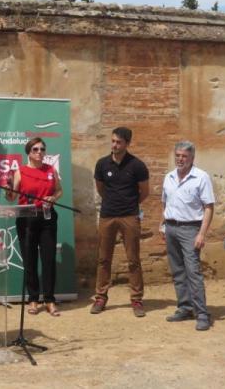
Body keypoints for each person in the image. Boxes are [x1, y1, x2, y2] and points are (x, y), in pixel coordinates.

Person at [91, 126, 149, 317]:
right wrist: (112, 202)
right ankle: (100, 297)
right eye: (113, 141)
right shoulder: (102, 164)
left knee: (133, 260)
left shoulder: (137, 166)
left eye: (119, 142)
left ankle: (136, 299)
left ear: (127, 144)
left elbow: (145, 192)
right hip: (107, 215)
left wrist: (130, 205)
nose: (114, 145)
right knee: (103, 259)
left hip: (129, 216)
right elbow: (100, 189)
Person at [159, 141, 214, 331]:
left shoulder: (201, 177)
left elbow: (208, 207)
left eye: (184, 156)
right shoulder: (169, 177)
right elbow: (165, 203)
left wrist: (202, 233)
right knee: (177, 271)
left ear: (192, 158)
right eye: (178, 155)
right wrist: (163, 224)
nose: (180, 159)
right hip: (172, 228)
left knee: (193, 272)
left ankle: (202, 314)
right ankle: (184, 307)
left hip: (191, 229)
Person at [7, 137, 63, 316]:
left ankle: (49, 299)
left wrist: (53, 197)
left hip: (47, 218)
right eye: (35, 149)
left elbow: (59, 190)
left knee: (48, 259)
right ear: (28, 153)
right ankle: (33, 299)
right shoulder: (20, 171)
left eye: (42, 149)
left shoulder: (51, 170)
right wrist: (7, 188)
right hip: (26, 219)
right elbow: (11, 197)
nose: (40, 152)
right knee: (29, 260)